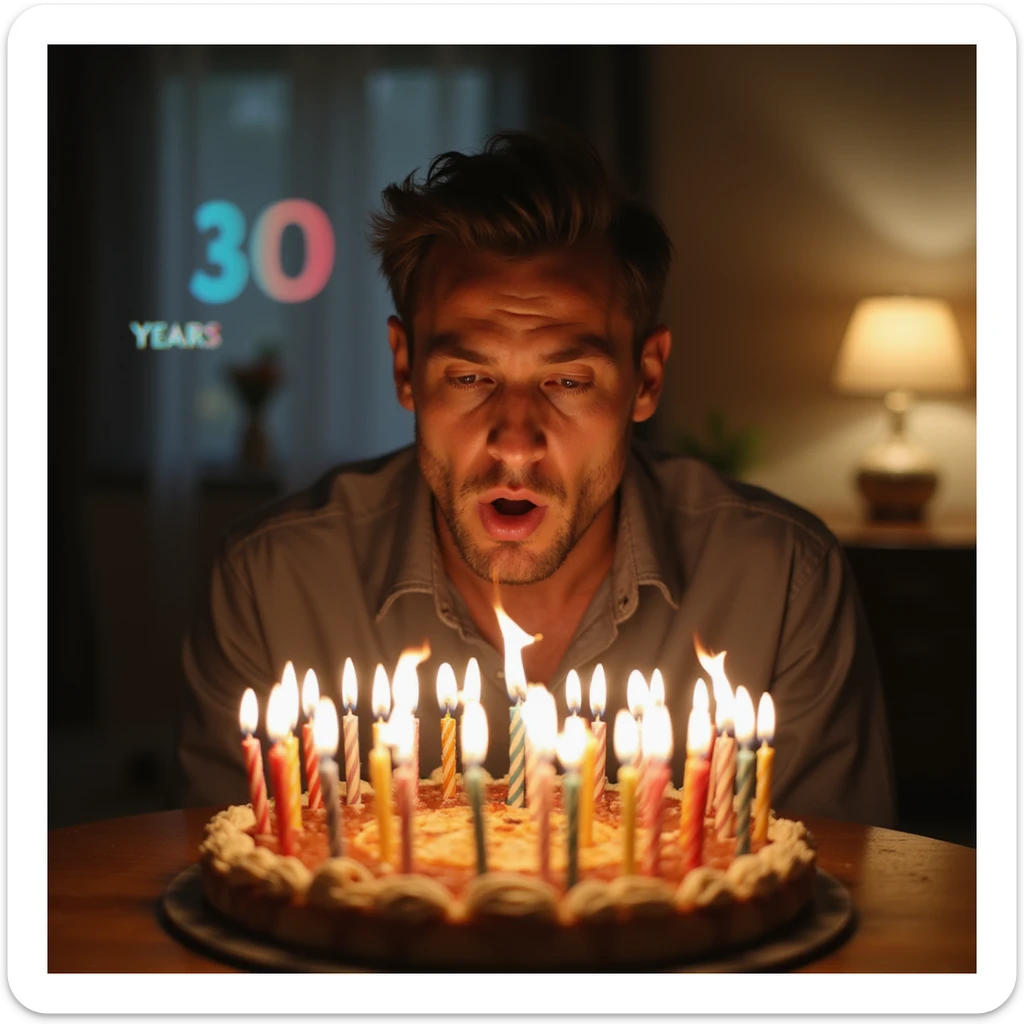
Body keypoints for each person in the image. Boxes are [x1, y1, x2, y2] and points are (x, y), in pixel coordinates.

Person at [177, 129, 897, 828]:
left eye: (568, 380)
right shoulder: (273, 583)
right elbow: (219, 873)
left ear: (646, 379)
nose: (515, 443)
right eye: (468, 376)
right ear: (405, 369)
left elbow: (833, 882)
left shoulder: (781, 580)